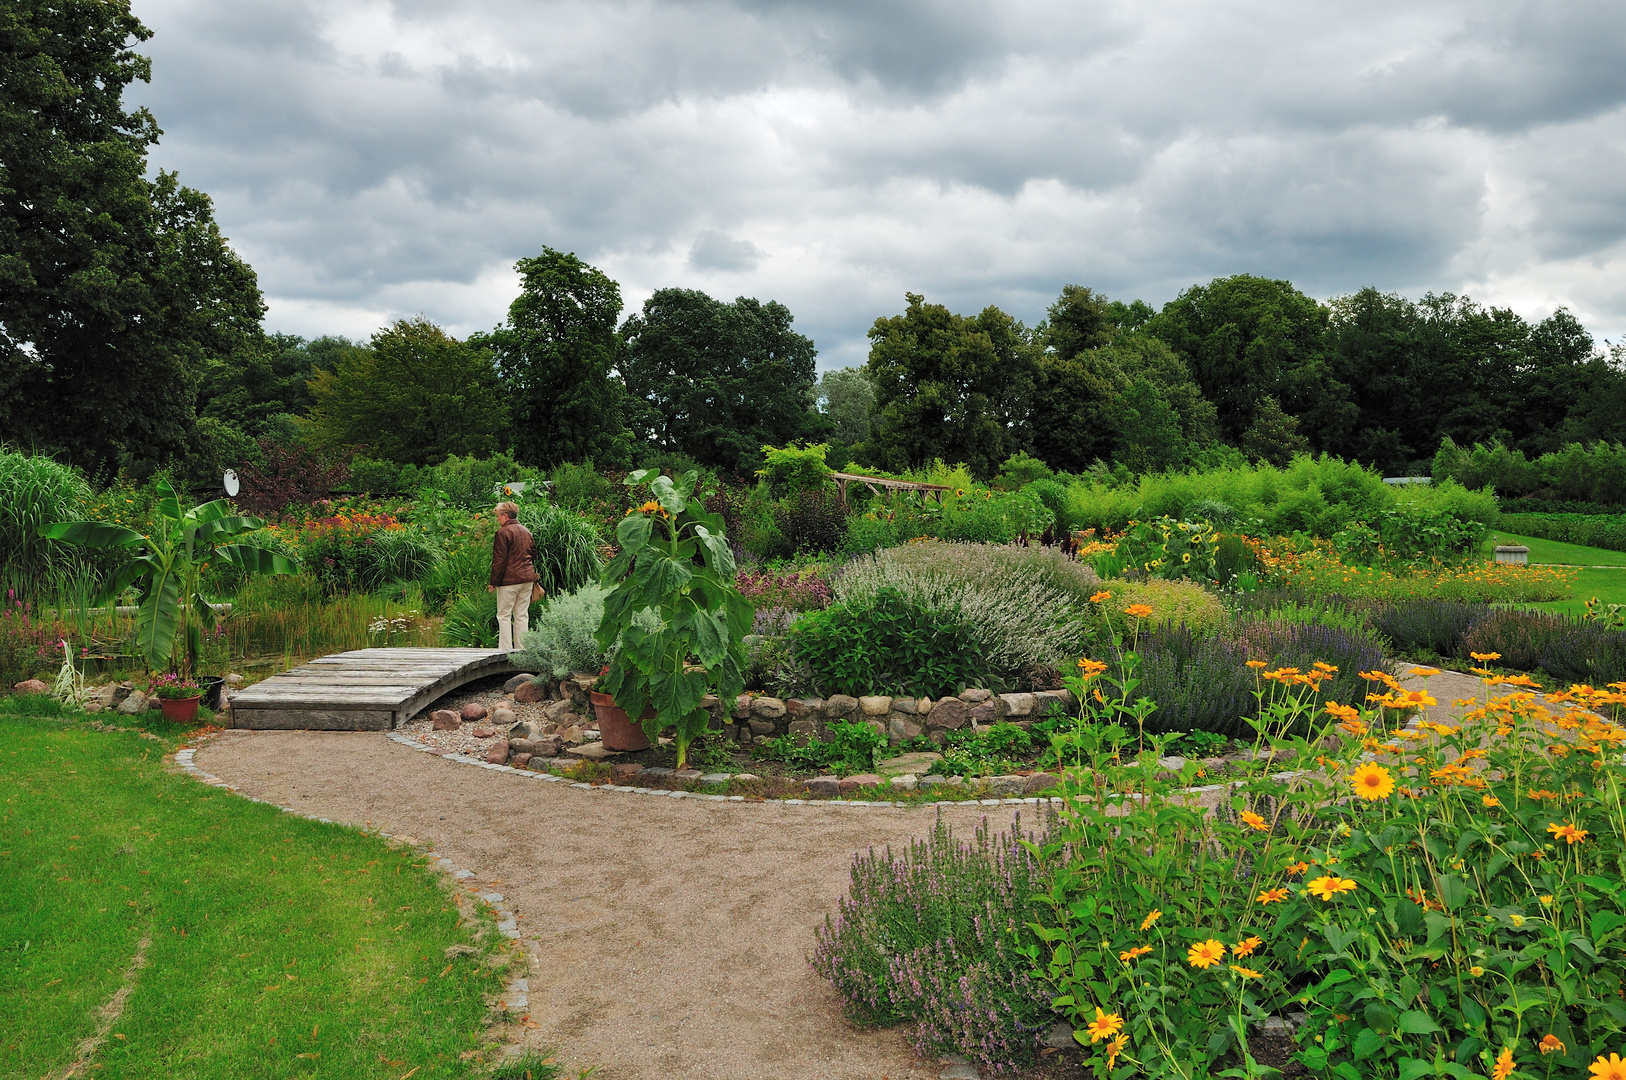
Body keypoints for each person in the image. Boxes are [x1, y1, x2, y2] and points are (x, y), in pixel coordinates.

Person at [488, 501, 540, 651]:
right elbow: (533, 553)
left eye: (498, 515)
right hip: (527, 579)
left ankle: (505, 651)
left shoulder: (503, 532)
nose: (497, 519)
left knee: (504, 615)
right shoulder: (526, 531)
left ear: (505, 515)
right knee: (522, 615)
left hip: (509, 581)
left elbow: (499, 561)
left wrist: (493, 582)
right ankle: (522, 650)